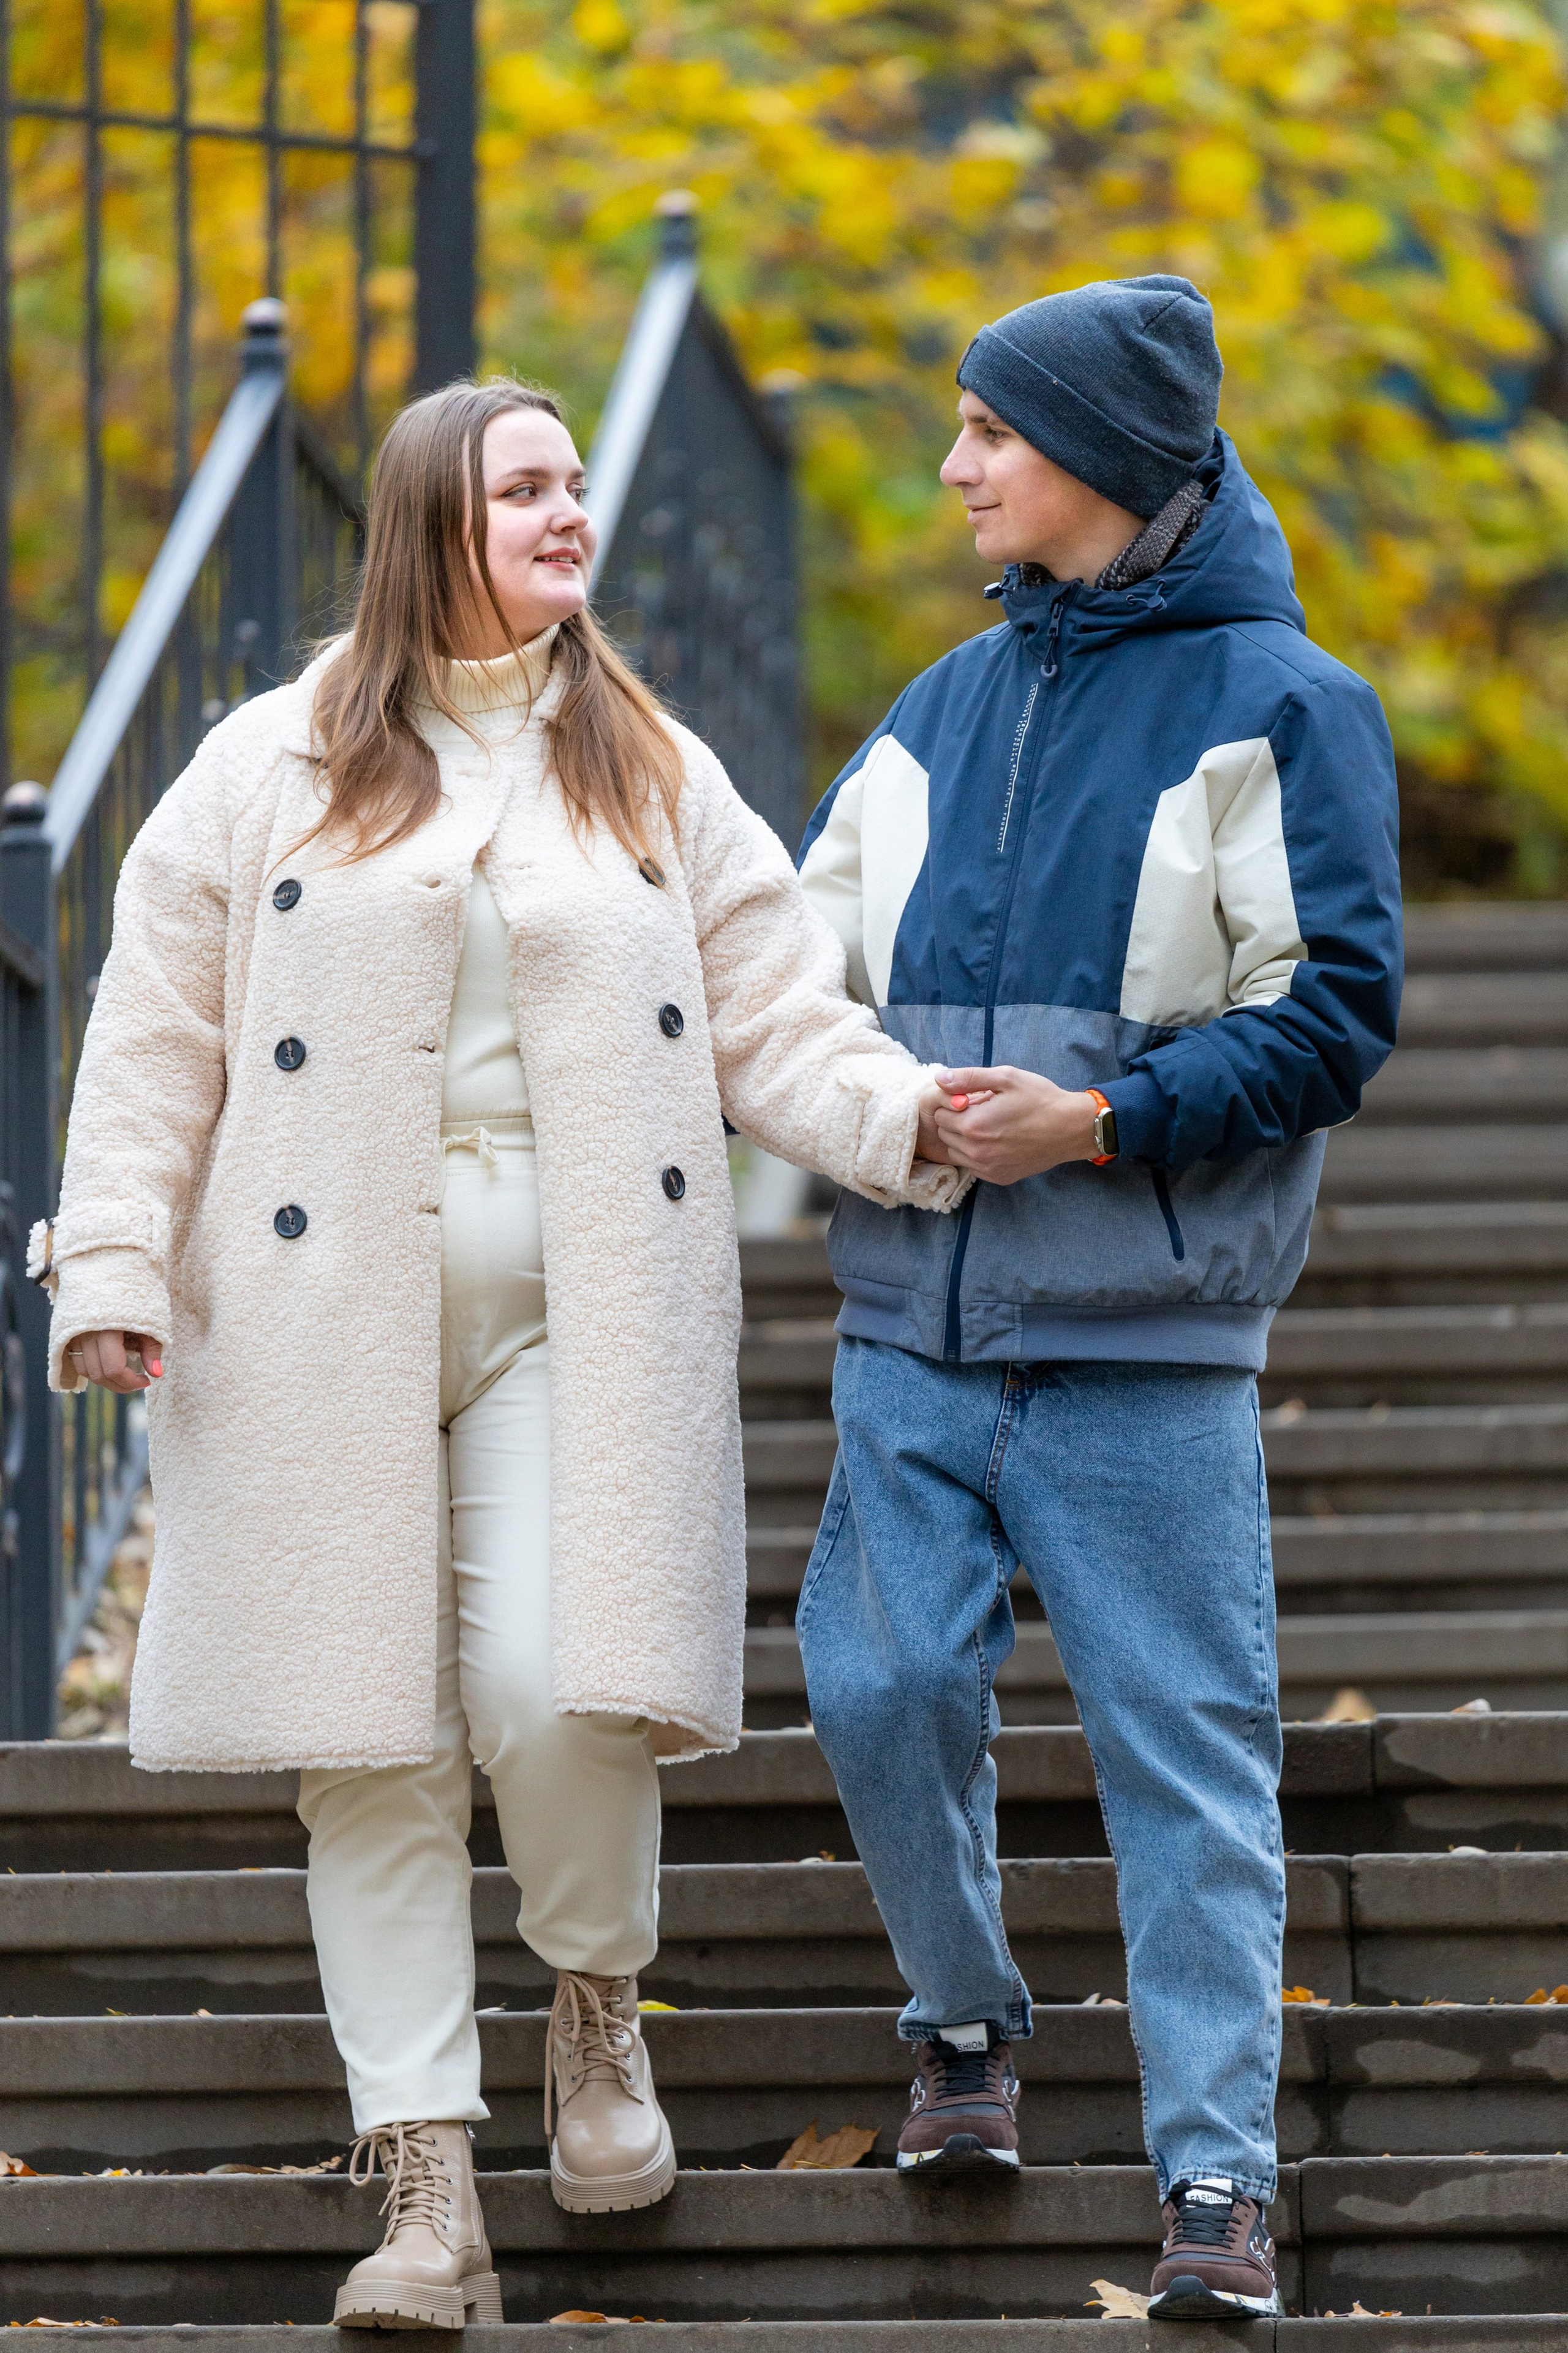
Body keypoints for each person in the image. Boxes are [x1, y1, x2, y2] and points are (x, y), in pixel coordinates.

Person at [32, 376, 965, 2329]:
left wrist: (910, 1120)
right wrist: (111, 1258)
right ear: (429, 519)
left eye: (574, 484)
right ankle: (427, 2184)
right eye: (523, 486)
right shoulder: (263, 761)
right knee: (366, 1749)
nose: (568, 513)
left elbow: (777, 1009)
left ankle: (596, 2006)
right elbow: (152, 1036)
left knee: (561, 1683)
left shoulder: (648, 761)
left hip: (584, 1303)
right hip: (307, 1309)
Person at [794, 275, 1401, 2324]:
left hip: (1144, 1340)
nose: (955, 465)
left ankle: (1219, 2174)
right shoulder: (928, 713)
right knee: (877, 1693)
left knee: (1185, 1752)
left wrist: (1104, 1124)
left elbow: (1335, 1012)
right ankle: (964, 2018)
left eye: (989, 429)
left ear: (1102, 462)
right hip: (910, 1320)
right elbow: (797, 980)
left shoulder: (1285, 701)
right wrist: (883, 1112)